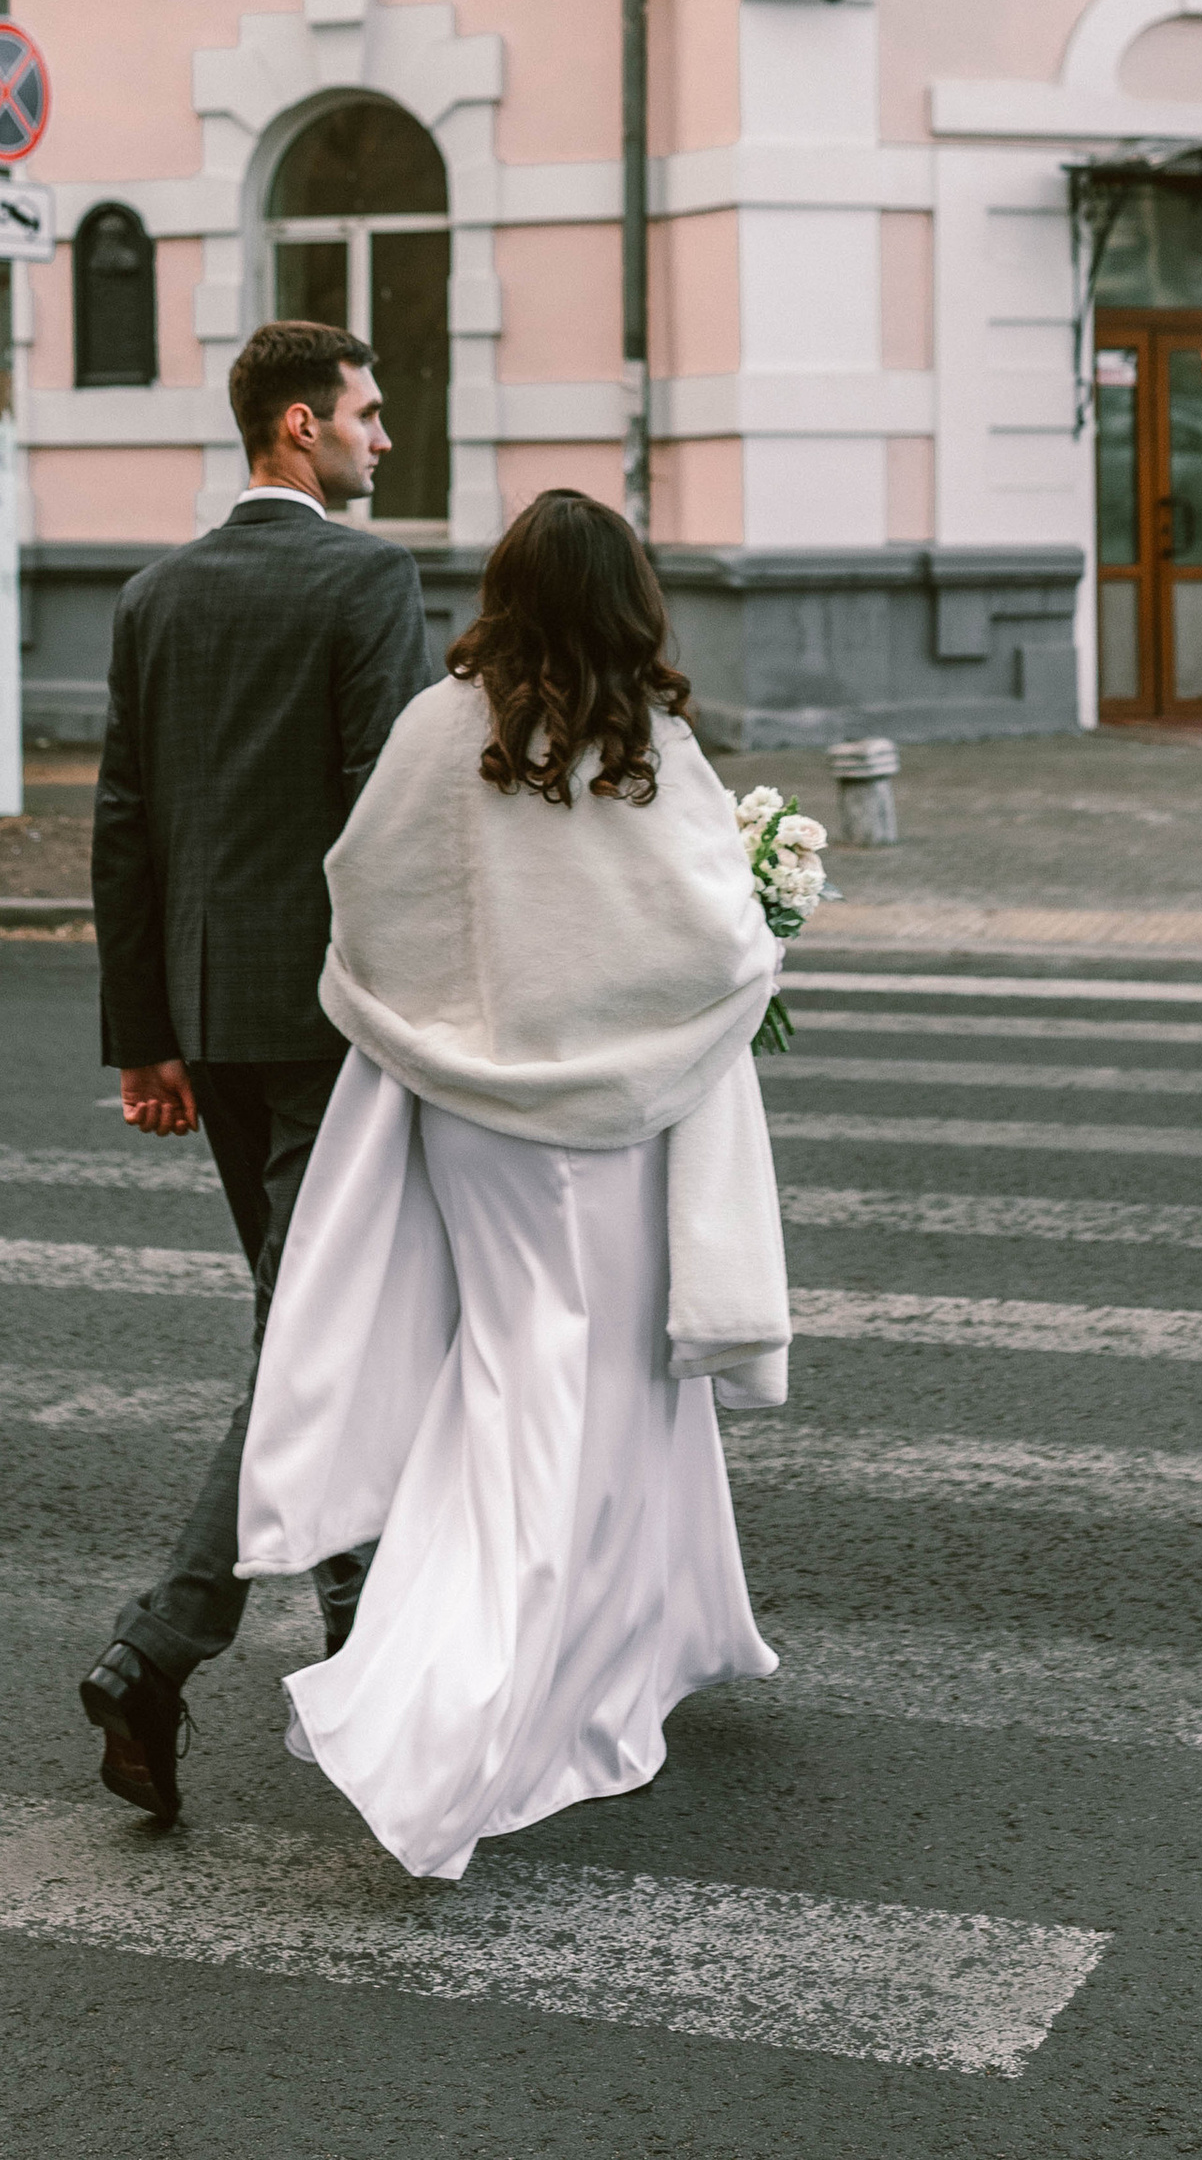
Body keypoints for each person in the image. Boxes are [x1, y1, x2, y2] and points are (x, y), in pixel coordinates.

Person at [233, 488, 792, 1883]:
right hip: (609, 1126)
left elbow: (359, 888)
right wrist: (763, 930)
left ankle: (626, 1648)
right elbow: (717, 936)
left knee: (512, 1379)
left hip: (467, 1117)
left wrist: (440, 1015)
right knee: (591, 1398)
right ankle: (466, 1711)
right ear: (629, 597)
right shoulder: (644, 744)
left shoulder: (443, 728)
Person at [77, 317, 433, 1827]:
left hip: (215, 1017)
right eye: (365, 411)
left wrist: (143, 1034)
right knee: (313, 1334)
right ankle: (159, 1647)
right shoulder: (369, 580)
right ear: (299, 426)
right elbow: (389, 814)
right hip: (337, 1021)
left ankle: (358, 1632)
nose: (382, 438)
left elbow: (124, 822)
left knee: (318, 1323)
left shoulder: (157, 594)